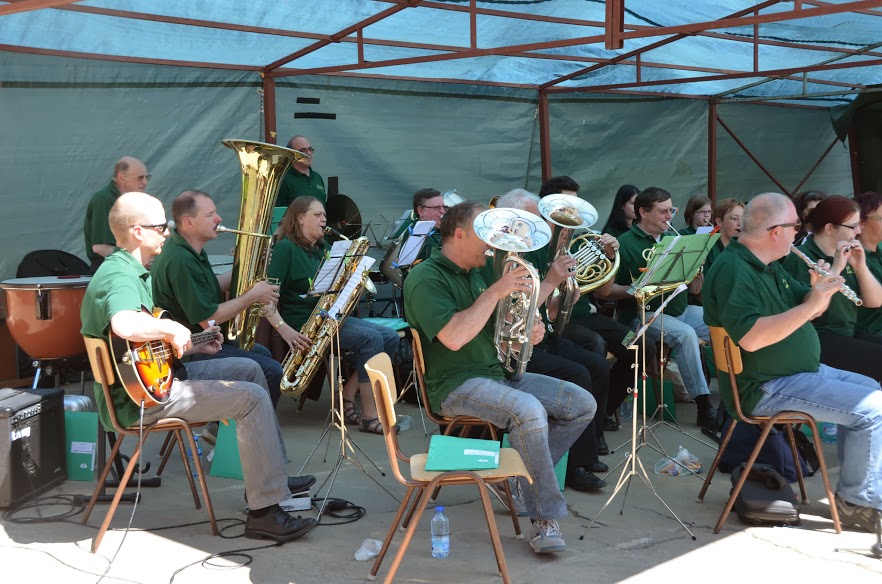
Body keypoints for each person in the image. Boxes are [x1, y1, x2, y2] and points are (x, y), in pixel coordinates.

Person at [81, 192, 317, 542]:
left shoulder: (131, 271)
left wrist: (194, 345)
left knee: (251, 371)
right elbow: (124, 325)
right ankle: (265, 512)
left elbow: (138, 351)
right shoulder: (120, 278)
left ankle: (273, 480)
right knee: (251, 396)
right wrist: (172, 327)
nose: (167, 231)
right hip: (142, 402)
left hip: (150, 384)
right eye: (160, 226)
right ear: (137, 231)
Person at [404, 200, 596, 554]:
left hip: (496, 375)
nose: (493, 241)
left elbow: (498, 325)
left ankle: (522, 478)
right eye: (485, 233)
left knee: (582, 403)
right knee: (528, 410)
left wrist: (530, 328)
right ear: (459, 234)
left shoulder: (475, 273)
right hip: (454, 386)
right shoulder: (425, 278)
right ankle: (544, 519)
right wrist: (496, 290)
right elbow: (454, 336)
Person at [703, 192, 882, 533]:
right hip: (766, 386)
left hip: (792, 373)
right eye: (794, 226)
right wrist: (812, 304)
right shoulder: (735, 270)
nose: (798, 233)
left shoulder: (770, 265)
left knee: (872, 389)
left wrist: (823, 289)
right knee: (874, 409)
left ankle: (857, 491)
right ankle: (859, 502)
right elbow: (752, 337)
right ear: (775, 231)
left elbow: (812, 305)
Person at [489, 188, 611, 492]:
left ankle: (590, 445)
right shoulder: (502, 256)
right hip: (510, 349)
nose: (540, 227)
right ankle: (575, 466)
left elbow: (545, 311)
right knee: (578, 373)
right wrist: (552, 281)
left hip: (536, 336)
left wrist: (564, 293)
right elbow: (513, 317)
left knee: (598, 365)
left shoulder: (532, 252)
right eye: (533, 219)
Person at [267, 196, 400, 434]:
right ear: (299, 217)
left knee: (390, 337)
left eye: (324, 215)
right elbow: (266, 296)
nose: (324, 219)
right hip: (306, 323)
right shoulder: (285, 249)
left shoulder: (323, 248)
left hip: (331, 317)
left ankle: (347, 395)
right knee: (371, 339)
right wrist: (283, 328)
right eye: (317, 215)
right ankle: (370, 417)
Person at [150, 191, 287, 414]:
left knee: (263, 354)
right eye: (210, 214)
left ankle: (230, 424)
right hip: (191, 351)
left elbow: (210, 286)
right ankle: (226, 431)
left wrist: (249, 268)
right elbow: (208, 319)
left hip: (202, 340)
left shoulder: (189, 251)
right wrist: (252, 296)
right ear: (188, 222)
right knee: (271, 370)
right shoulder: (181, 259)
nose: (219, 219)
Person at [599, 187, 717, 432]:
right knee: (685, 335)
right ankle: (704, 405)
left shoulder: (673, 240)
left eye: (671, 210)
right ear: (643, 212)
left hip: (680, 309)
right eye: (663, 211)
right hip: (643, 315)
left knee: (724, 321)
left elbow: (694, 291)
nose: (669, 216)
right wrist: (638, 287)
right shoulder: (625, 243)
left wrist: (696, 271)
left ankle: (737, 394)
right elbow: (607, 292)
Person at [781, 196, 882, 380]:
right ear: (829, 228)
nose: (858, 231)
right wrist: (836, 269)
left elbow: (874, 301)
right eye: (852, 226)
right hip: (818, 337)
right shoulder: (801, 259)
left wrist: (860, 266)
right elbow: (809, 309)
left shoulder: (847, 253)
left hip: (847, 332)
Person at [83, 157, 150, 272]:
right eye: (140, 177)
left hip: (126, 265)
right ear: (122, 177)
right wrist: (137, 258)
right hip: (110, 269)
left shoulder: (130, 201)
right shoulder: (103, 200)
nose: (145, 182)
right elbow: (100, 248)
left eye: (146, 177)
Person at [855, 191, 882, 338]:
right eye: (881, 218)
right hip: (871, 334)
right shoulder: (852, 257)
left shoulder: (880, 249)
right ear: (861, 223)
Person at [277, 135, 326, 208]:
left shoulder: (317, 177)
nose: (308, 153)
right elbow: (278, 213)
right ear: (292, 154)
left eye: (310, 149)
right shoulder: (283, 179)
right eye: (303, 150)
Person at [704, 198, 743, 271]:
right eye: (734, 218)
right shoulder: (707, 249)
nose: (740, 223)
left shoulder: (745, 248)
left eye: (743, 219)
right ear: (719, 221)